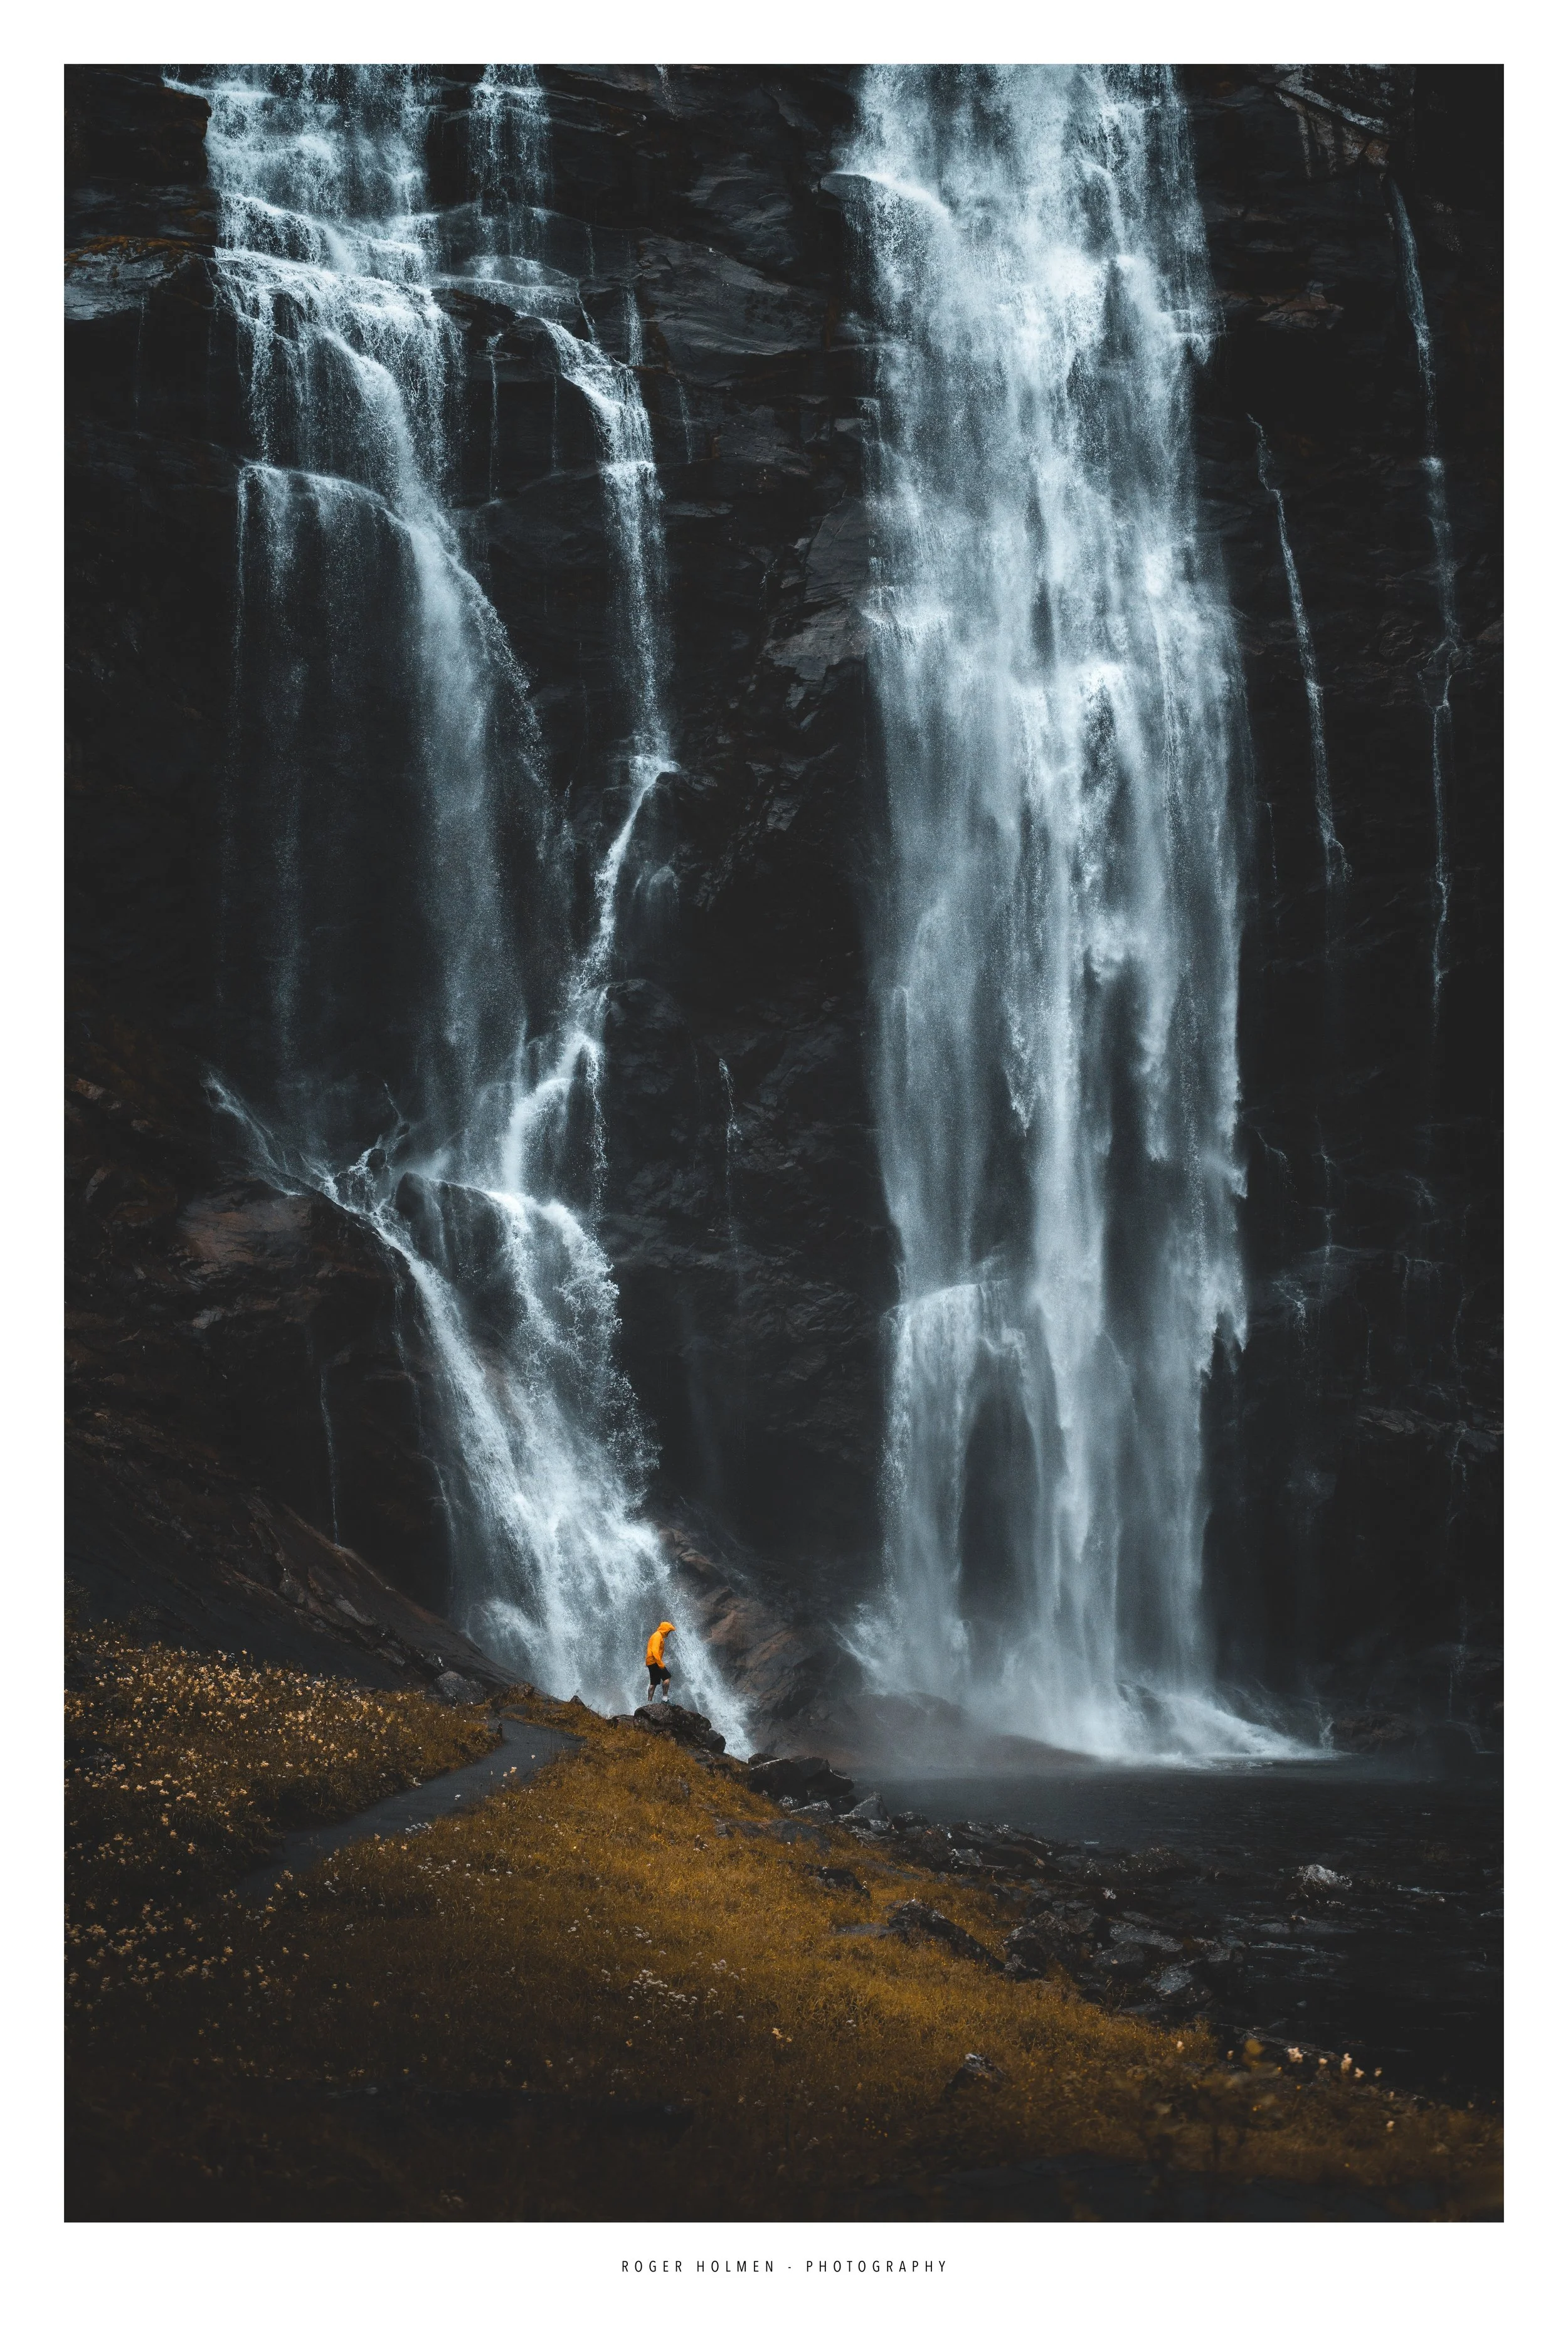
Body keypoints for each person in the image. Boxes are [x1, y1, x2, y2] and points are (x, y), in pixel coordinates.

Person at [644, 1619, 675, 1703]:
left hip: (651, 1662)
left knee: (653, 1683)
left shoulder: (657, 1635)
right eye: (669, 1631)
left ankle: (649, 1703)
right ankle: (665, 1699)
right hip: (655, 1661)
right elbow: (655, 1651)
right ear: (665, 1629)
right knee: (667, 1677)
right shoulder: (658, 1636)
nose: (669, 1633)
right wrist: (660, 1664)